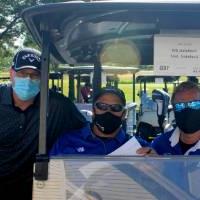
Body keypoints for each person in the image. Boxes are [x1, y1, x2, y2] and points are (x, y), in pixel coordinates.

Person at [0, 48, 87, 200]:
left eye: (34, 75)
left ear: (43, 78)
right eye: (22, 74)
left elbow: (89, 132)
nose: (28, 80)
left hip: (40, 187)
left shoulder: (58, 105)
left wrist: (137, 151)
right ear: (11, 73)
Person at [50, 87, 150, 156]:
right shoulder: (67, 141)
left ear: (123, 114)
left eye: (116, 108)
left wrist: (156, 163)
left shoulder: (139, 146)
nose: (108, 112)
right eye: (102, 106)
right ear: (93, 111)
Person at [152, 81, 200, 155]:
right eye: (180, 105)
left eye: (194, 104)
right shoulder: (159, 144)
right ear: (174, 110)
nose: (187, 110)